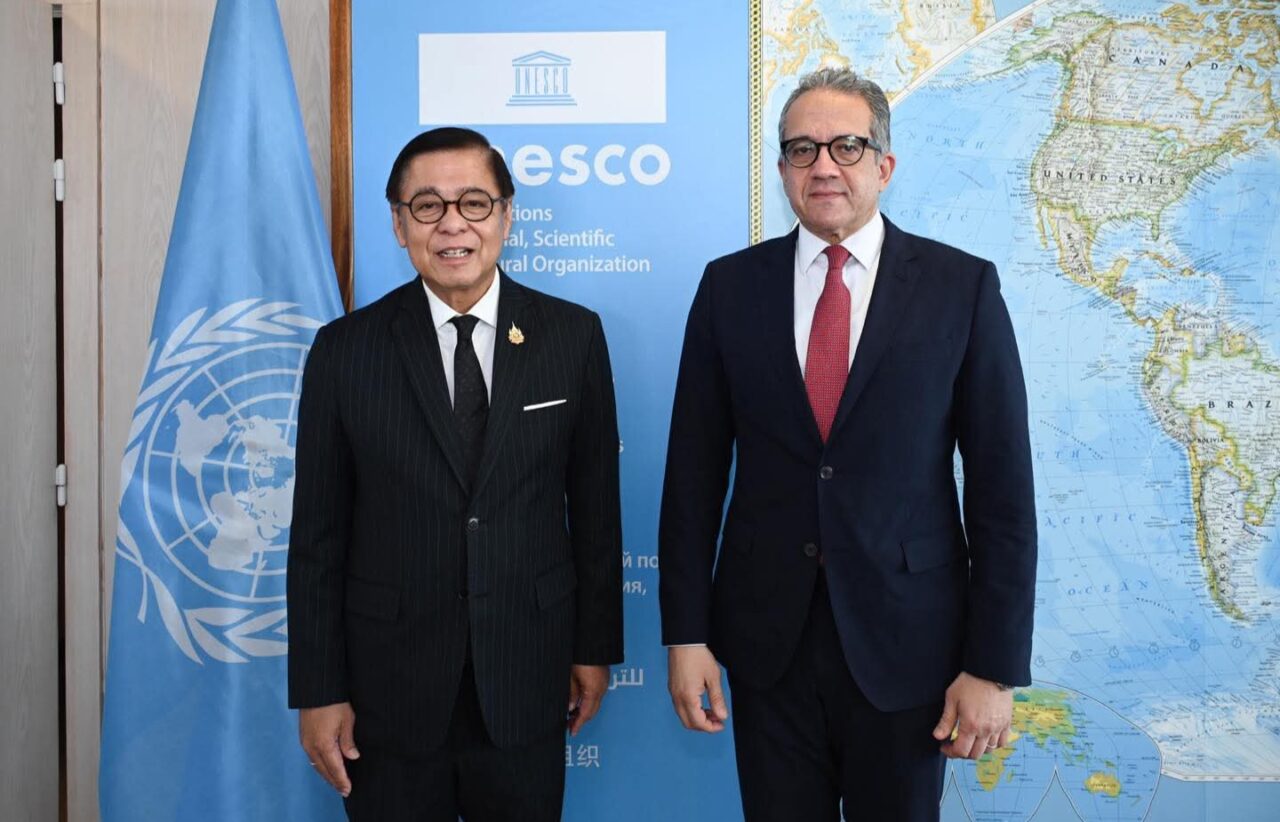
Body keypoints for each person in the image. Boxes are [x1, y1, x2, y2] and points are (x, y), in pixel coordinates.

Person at [659, 67, 1036, 821]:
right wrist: (687, 636)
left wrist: (993, 668)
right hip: (767, 646)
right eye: (802, 149)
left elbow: (1003, 493)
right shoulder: (729, 288)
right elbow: (692, 480)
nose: (823, 165)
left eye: (846, 146)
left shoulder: (961, 289)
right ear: (782, 171)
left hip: (910, 646)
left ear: (883, 166)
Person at [287, 127, 624, 821]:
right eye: (427, 206)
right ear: (398, 223)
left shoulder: (573, 336)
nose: (452, 225)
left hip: (527, 674)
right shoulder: (345, 351)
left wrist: (594, 649)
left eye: (474, 202)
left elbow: (596, 512)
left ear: (506, 215)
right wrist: (318, 690)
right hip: (388, 689)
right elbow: (317, 536)